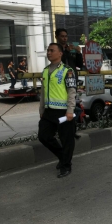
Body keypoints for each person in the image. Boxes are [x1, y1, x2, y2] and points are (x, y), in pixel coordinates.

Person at [38, 43, 77, 178]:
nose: (49, 53)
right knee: (43, 136)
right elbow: (43, 92)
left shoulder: (68, 70)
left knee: (67, 139)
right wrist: (41, 108)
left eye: (52, 50)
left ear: (60, 53)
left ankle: (66, 166)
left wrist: (70, 110)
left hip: (63, 112)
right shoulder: (45, 70)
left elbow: (72, 91)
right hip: (49, 112)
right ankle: (63, 157)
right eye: (48, 50)